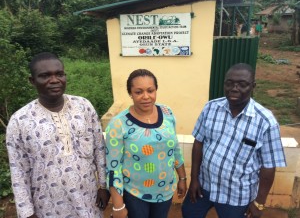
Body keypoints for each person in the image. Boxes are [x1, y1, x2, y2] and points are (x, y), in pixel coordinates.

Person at [6, 52, 110, 218]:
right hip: (47, 207)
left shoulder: (83, 107)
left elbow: (99, 148)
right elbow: (18, 170)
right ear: (32, 81)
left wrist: (103, 186)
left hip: (89, 201)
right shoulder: (19, 121)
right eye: (45, 76)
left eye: (59, 74)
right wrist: (27, 213)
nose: (54, 80)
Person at [182, 63, 286, 218]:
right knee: (189, 213)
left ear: (253, 86)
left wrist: (259, 202)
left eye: (242, 84)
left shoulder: (266, 122)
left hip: (236, 196)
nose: (234, 88)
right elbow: (199, 143)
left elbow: (269, 166)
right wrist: (194, 179)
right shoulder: (211, 108)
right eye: (229, 83)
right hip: (204, 185)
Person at [105, 69, 187, 218]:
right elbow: (113, 167)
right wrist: (118, 205)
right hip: (135, 193)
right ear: (130, 93)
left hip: (166, 190)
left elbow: (174, 148)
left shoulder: (167, 112)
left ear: (156, 90)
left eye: (151, 90)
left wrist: (182, 178)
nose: (146, 97)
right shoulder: (118, 124)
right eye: (138, 92)